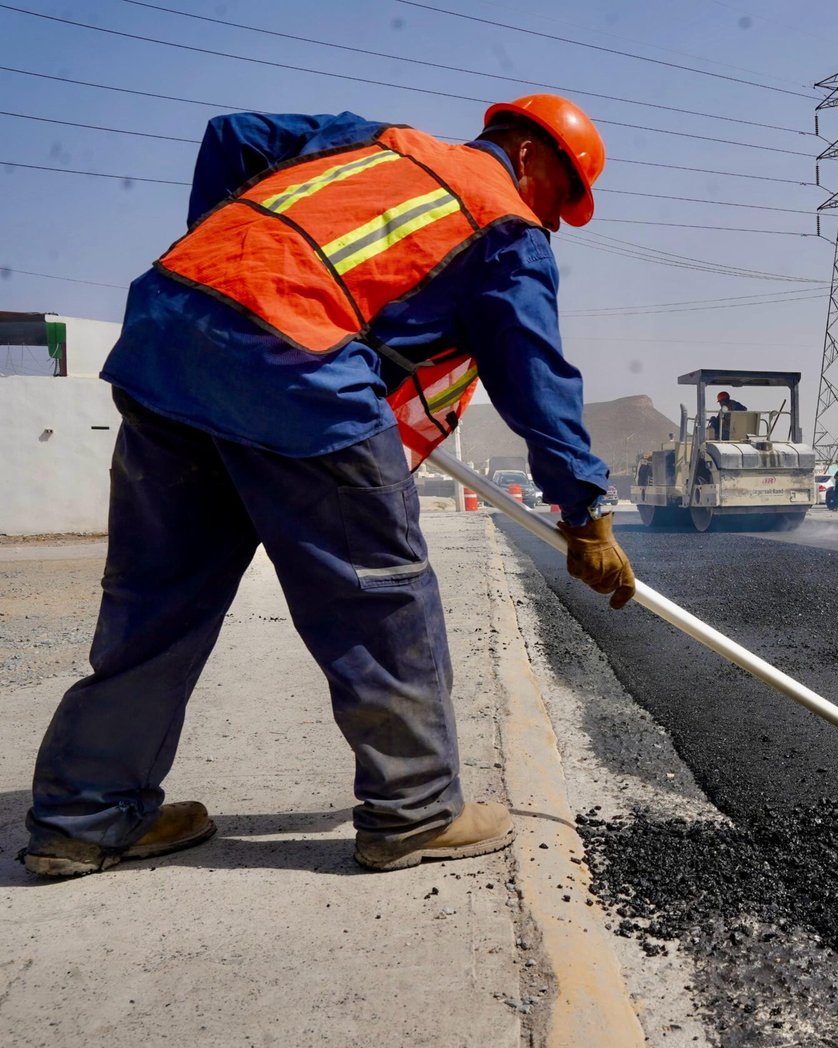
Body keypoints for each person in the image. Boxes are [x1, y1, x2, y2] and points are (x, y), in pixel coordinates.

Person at [22, 95, 636, 879]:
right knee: (383, 598)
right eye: (559, 202)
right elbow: (537, 376)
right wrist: (585, 512)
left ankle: (85, 816)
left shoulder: (380, 143)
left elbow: (232, 135)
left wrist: (229, 260)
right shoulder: (505, 226)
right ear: (526, 157)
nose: (550, 224)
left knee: (158, 604)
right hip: (296, 366)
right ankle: (414, 813)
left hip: (170, 334)